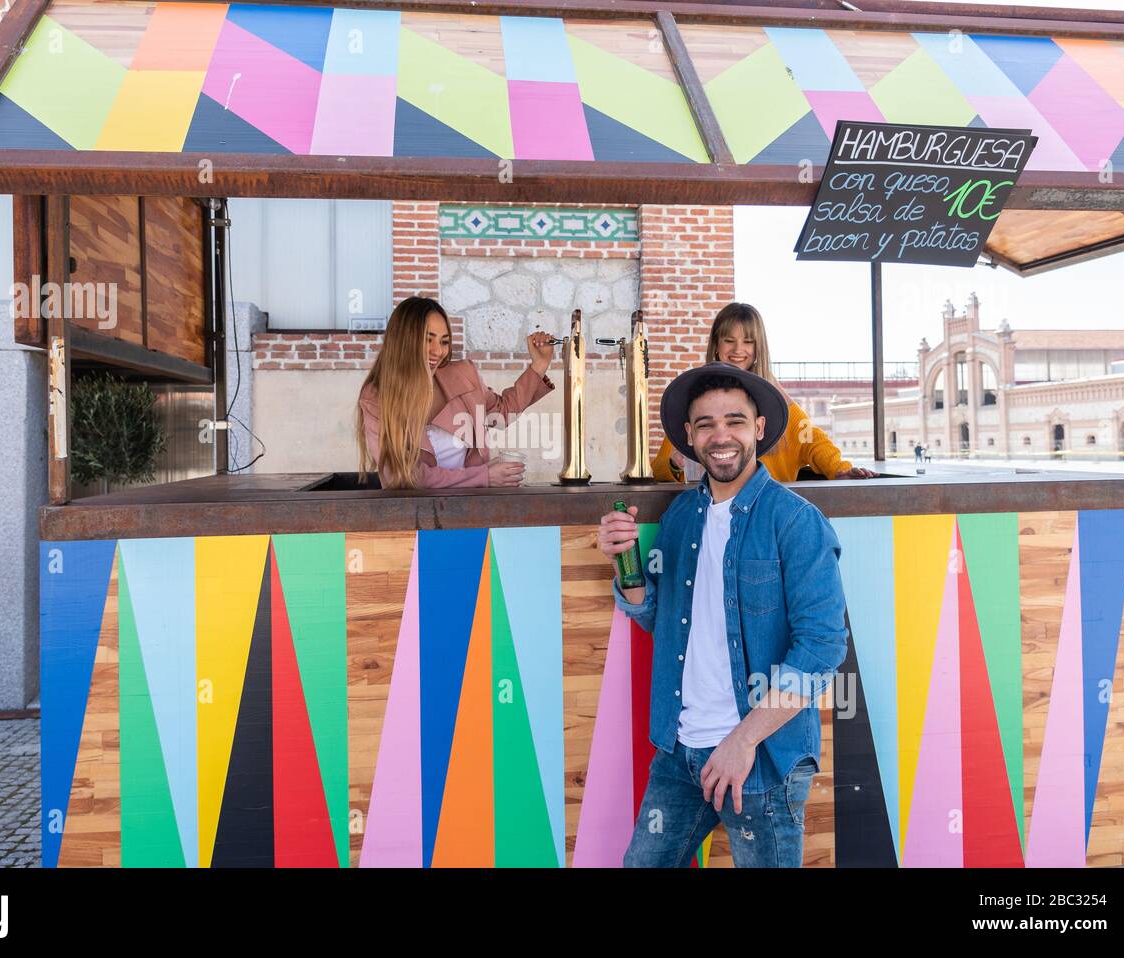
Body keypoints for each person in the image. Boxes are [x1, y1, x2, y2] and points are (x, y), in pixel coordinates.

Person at [598, 362, 848, 867]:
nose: (721, 435)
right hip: (680, 751)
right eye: (706, 424)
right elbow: (661, 620)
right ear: (689, 437)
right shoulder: (680, 519)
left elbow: (822, 649)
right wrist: (624, 567)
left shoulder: (796, 521)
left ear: (758, 429)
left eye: (734, 421)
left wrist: (742, 740)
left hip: (761, 758)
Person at [651, 303, 876, 483]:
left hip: (771, 516)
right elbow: (661, 468)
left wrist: (839, 470)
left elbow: (811, 440)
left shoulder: (777, 400)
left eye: (748, 342)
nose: (738, 350)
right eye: (729, 341)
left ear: (759, 347)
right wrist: (674, 463)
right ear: (716, 345)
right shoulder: (698, 402)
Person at [356, 296, 556, 489]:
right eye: (428, 340)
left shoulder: (463, 375)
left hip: (469, 510)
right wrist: (484, 476)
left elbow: (503, 412)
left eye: (444, 341)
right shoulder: (376, 398)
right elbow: (400, 476)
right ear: (404, 341)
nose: (438, 351)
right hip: (414, 517)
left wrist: (539, 365)